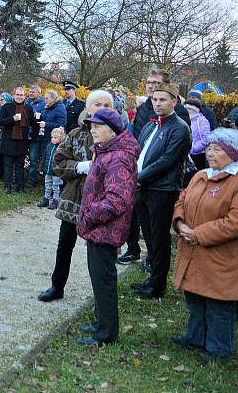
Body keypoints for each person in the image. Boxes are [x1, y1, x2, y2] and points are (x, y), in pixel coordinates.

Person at [38, 89, 114, 302]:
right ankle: (57, 286)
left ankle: (102, 300)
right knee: (65, 245)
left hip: (102, 203)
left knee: (99, 253)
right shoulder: (76, 134)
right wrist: (82, 166)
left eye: (107, 105)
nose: (102, 109)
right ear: (88, 109)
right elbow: (58, 163)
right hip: (74, 199)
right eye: (97, 105)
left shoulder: (118, 137)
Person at [171, 128, 238, 364]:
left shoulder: (235, 181)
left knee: (219, 303)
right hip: (193, 250)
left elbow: (234, 222)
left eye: (217, 149)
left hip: (221, 256)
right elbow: (182, 198)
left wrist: (198, 234)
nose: (210, 153)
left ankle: (219, 348)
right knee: (195, 297)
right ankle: (196, 337)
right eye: (209, 148)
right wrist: (179, 223)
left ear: (232, 153)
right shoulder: (201, 175)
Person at [75, 108, 140, 346]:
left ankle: (106, 334)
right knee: (98, 279)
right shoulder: (106, 152)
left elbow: (117, 200)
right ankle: (101, 322)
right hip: (98, 229)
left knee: (104, 282)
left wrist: (90, 215)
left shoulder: (119, 158)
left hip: (105, 229)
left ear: (112, 131)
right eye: (91, 126)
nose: (92, 130)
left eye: (98, 126)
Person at [130, 82, 192, 299]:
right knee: (148, 236)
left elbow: (167, 161)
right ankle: (152, 279)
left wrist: (137, 178)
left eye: (163, 99)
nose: (157, 103)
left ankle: (158, 286)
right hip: (143, 188)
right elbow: (139, 154)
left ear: (174, 102)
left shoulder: (180, 128)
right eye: (155, 99)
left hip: (162, 190)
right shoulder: (150, 125)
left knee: (159, 238)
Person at [131, 68, 190, 139]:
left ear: (166, 86)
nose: (150, 86)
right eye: (148, 82)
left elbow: (181, 140)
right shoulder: (141, 109)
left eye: (155, 83)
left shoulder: (178, 110)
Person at [0, 87, 35, 194]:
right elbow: (0, 121)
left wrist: (32, 134)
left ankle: (20, 186)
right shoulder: (6, 107)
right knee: (8, 165)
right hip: (8, 141)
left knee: (20, 165)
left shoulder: (28, 108)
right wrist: (12, 119)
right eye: (17, 95)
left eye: (21, 95)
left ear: (24, 96)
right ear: (14, 95)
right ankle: (8, 186)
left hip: (22, 141)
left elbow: (32, 123)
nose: (19, 97)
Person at [37, 127, 65, 210]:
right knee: (47, 185)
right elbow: (44, 157)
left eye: (55, 138)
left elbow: (63, 161)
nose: (53, 139)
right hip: (48, 171)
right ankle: (46, 199)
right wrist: (41, 168)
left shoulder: (62, 148)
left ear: (61, 138)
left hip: (56, 172)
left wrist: (60, 169)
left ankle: (56, 200)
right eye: (52, 137)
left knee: (56, 187)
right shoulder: (49, 146)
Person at [26, 84, 46, 187]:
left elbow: (42, 116)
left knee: (34, 159)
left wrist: (34, 115)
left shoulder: (43, 103)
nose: (31, 93)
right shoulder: (27, 102)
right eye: (30, 91)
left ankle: (31, 180)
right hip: (25, 134)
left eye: (33, 92)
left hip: (36, 136)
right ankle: (22, 176)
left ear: (38, 93)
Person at [185, 102, 211, 171]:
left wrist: (193, 149)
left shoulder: (202, 121)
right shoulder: (185, 120)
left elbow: (206, 139)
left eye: (188, 109)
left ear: (194, 110)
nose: (186, 110)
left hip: (198, 155)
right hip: (186, 154)